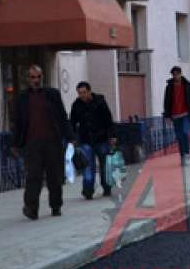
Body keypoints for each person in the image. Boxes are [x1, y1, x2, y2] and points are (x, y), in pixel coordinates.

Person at [12, 65, 73, 220]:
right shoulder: (22, 98)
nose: (36, 80)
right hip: (32, 144)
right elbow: (17, 122)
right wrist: (15, 144)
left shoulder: (52, 94)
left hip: (52, 142)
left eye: (38, 77)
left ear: (42, 77)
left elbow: (62, 117)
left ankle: (56, 206)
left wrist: (70, 137)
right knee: (33, 176)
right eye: (33, 77)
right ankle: (31, 209)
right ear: (28, 79)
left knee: (55, 176)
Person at [69, 81, 116, 199]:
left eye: (84, 92)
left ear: (90, 91)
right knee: (88, 166)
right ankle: (88, 190)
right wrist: (72, 138)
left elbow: (108, 120)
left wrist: (112, 136)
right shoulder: (76, 105)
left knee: (104, 166)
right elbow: (72, 122)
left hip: (101, 139)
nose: (82, 95)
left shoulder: (100, 102)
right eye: (80, 93)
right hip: (86, 140)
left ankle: (107, 187)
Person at [163, 66, 190, 165]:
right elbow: (166, 102)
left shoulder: (188, 85)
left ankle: (187, 154)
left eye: (177, 74)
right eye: (174, 74)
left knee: (185, 133)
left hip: (186, 114)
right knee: (179, 136)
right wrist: (167, 116)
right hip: (175, 115)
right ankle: (182, 155)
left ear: (181, 74)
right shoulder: (169, 87)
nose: (176, 76)